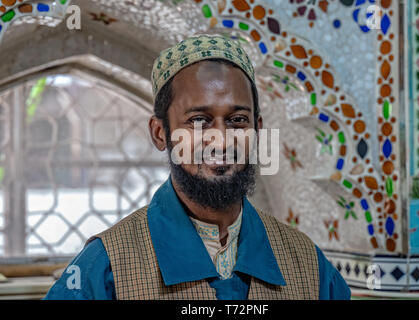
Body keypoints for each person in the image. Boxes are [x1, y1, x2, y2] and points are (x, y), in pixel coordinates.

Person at [44, 34, 351, 300]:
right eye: (198, 121)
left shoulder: (308, 265)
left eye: (237, 120)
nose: (220, 140)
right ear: (160, 133)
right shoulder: (107, 266)